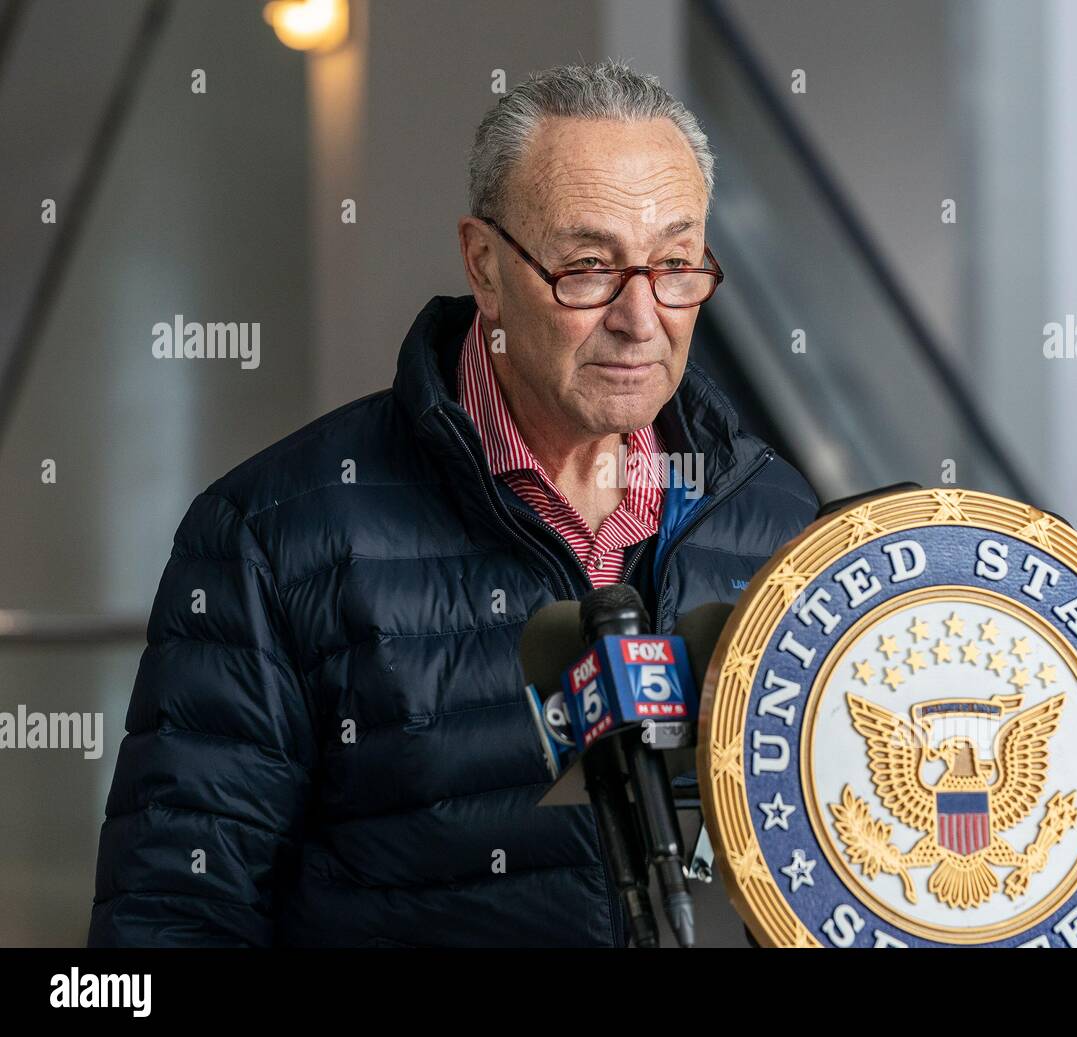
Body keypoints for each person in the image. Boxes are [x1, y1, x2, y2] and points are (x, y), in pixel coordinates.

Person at [88, 59, 818, 947]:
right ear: (484, 263)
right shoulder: (273, 536)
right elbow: (170, 920)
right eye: (587, 267)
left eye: (675, 263)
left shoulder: (776, 517)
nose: (642, 317)